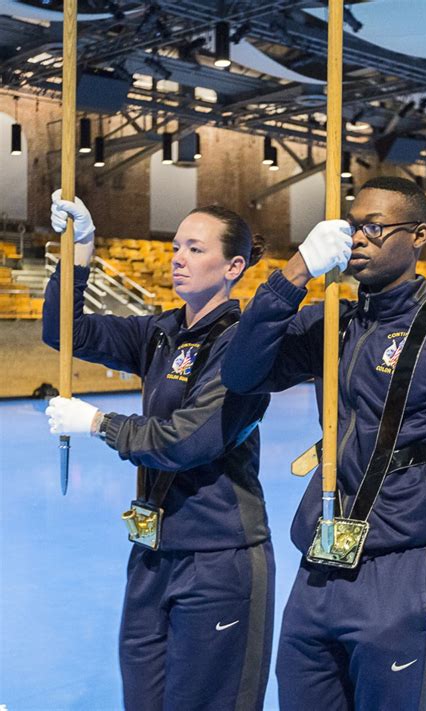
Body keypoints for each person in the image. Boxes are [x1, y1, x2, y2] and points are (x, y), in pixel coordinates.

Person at [221, 176, 426, 710]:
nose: (359, 237)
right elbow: (241, 372)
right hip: (320, 567)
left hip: (404, 570)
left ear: (419, 235)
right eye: (353, 226)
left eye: (375, 228)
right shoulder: (332, 320)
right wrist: (295, 274)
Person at [43, 191, 275, 711]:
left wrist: (100, 422)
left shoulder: (243, 347)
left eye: (195, 249)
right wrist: (79, 251)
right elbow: (65, 331)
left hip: (218, 557)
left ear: (233, 266)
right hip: (152, 553)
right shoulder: (161, 331)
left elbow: (188, 441)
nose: (177, 258)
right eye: (175, 247)